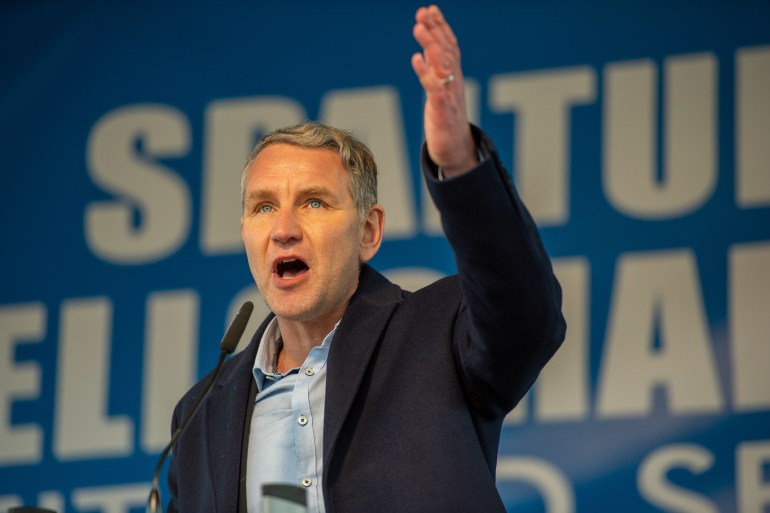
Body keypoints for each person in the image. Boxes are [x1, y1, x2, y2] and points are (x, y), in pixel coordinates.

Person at [167, 5, 566, 513]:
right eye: (263, 207)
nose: (284, 230)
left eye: (314, 202)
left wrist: (462, 165)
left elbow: (527, 315)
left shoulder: (437, 335)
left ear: (369, 231)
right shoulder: (201, 414)